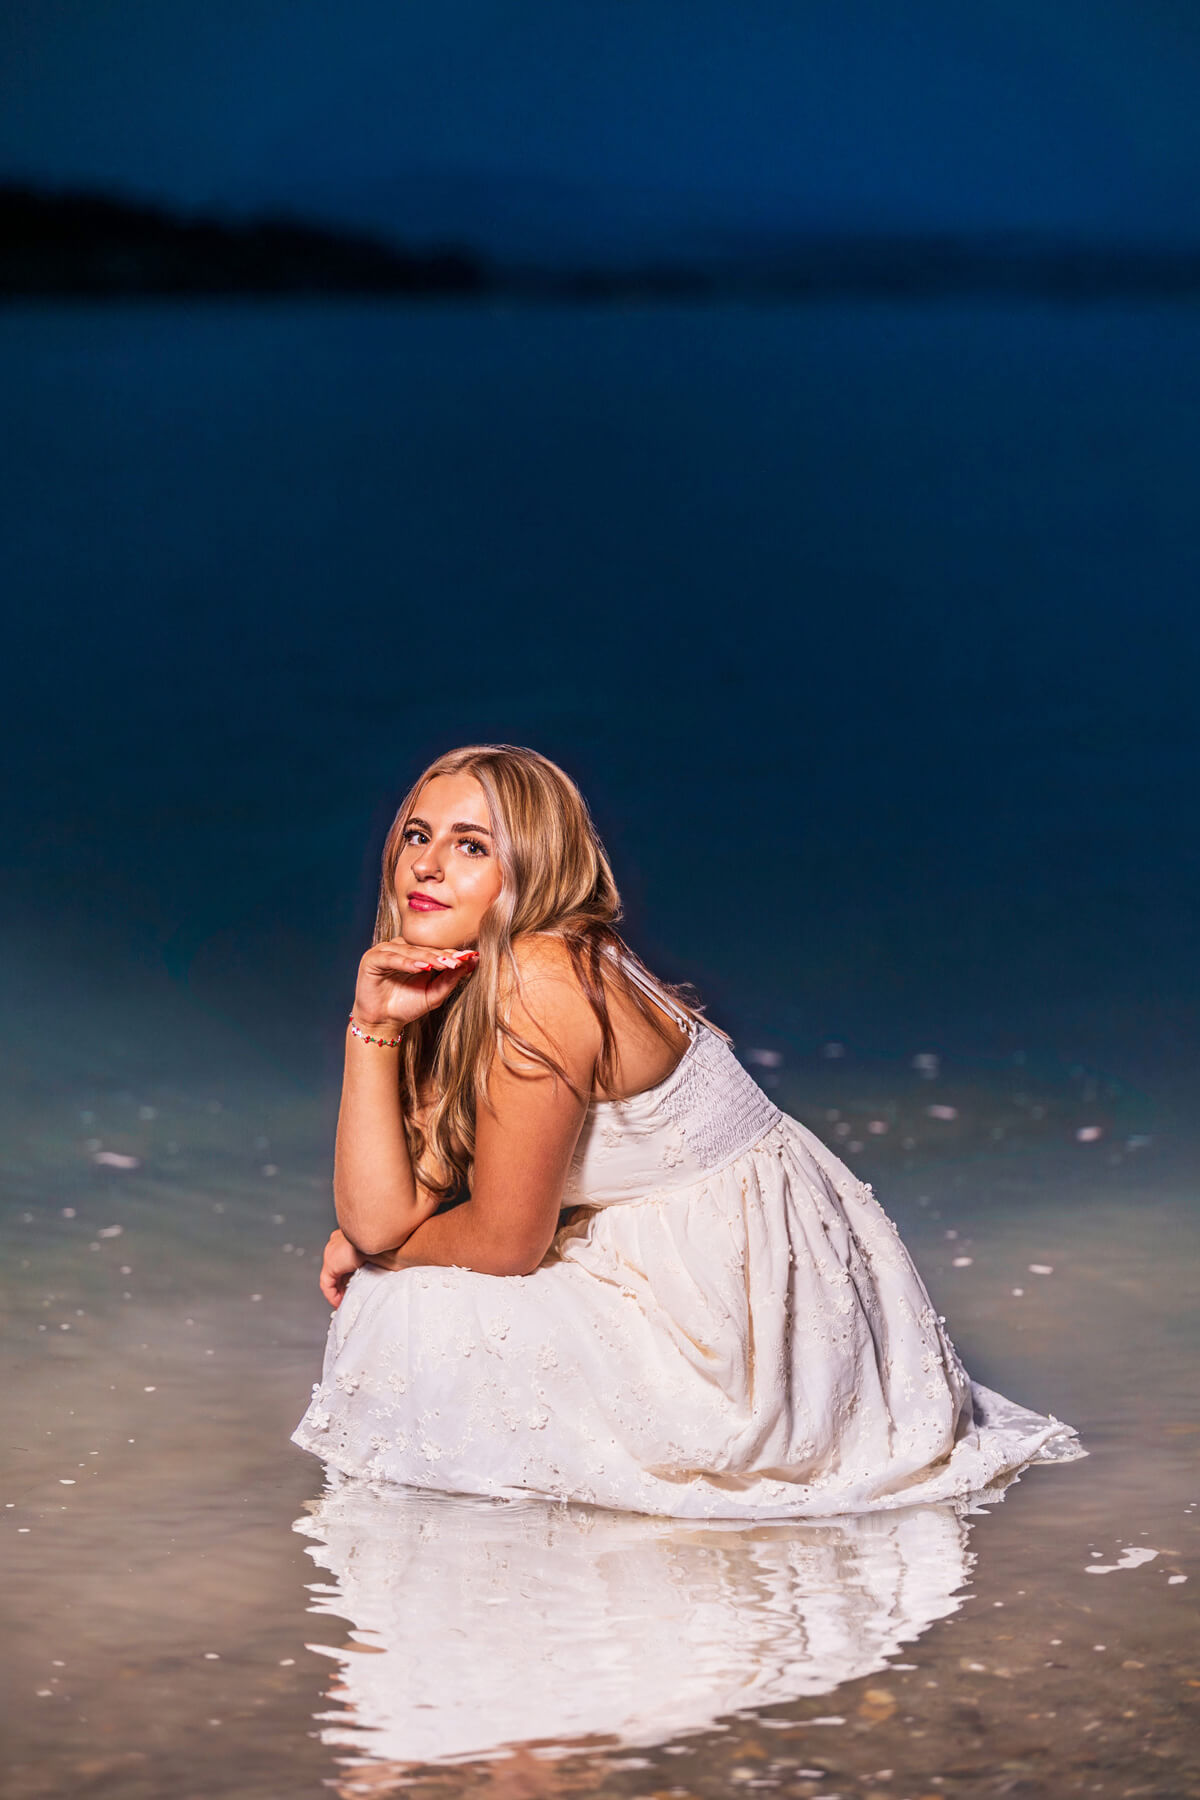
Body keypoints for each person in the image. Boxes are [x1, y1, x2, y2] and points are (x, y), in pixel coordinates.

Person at [292, 744, 1085, 1518]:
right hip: (729, 1273)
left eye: (472, 846)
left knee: (401, 1309)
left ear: (531, 868)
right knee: (395, 1292)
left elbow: (501, 1243)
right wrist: (373, 1027)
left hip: (741, 1331)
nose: (428, 865)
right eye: (417, 836)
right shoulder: (474, 977)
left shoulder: (539, 978)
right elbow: (384, 1208)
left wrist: (378, 1255)